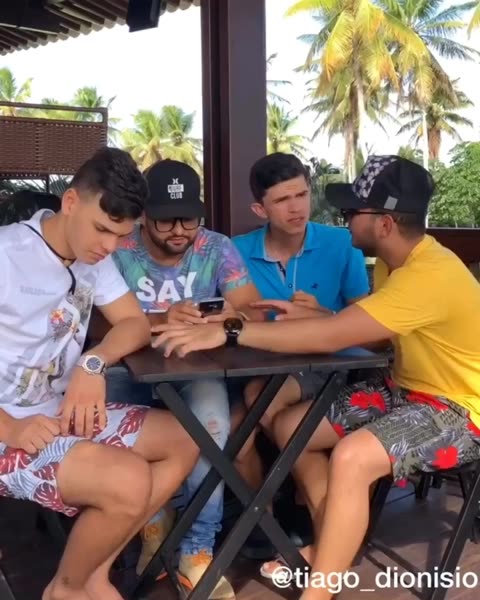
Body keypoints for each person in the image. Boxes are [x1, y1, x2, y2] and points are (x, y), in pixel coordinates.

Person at [152, 155, 480, 600]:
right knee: (292, 427)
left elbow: (333, 338)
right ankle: (333, 546)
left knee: (352, 457)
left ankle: (320, 589)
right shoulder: (396, 260)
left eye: (351, 212)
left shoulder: (429, 274)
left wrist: (230, 330)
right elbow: (379, 333)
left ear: (384, 224)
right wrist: (326, 317)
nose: (342, 220)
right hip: (405, 390)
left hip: (462, 410)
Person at [0, 147, 199, 600]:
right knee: (128, 479)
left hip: (55, 414)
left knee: (186, 437)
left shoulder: (92, 260)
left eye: (121, 235)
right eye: (103, 229)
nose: (109, 246)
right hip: (8, 427)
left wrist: (93, 363)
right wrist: (10, 427)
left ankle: (91, 573)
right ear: (71, 202)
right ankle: (66, 589)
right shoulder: (7, 255)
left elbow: (135, 324)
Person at [108, 158, 263, 599]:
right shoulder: (119, 250)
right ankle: (152, 526)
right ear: (143, 216)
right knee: (106, 422)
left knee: (211, 425)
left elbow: (251, 310)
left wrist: (223, 318)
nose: (179, 231)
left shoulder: (216, 247)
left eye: (189, 219)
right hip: (125, 367)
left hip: (196, 368)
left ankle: (197, 551)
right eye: (165, 221)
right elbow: (94, 322)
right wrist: (160, 319)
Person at [230, 152, 369, 548]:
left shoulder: (342, 242)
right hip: (260, 365)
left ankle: (286, 516)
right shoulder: (236, 251)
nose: (296, 208)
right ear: (260, 209)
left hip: (332, 366)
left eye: (302, 195)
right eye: (282, 200)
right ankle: (282, 518)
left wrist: (325, 316)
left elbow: (366, 318)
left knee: (262, 400)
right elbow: (230, 315)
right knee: (236, 433)